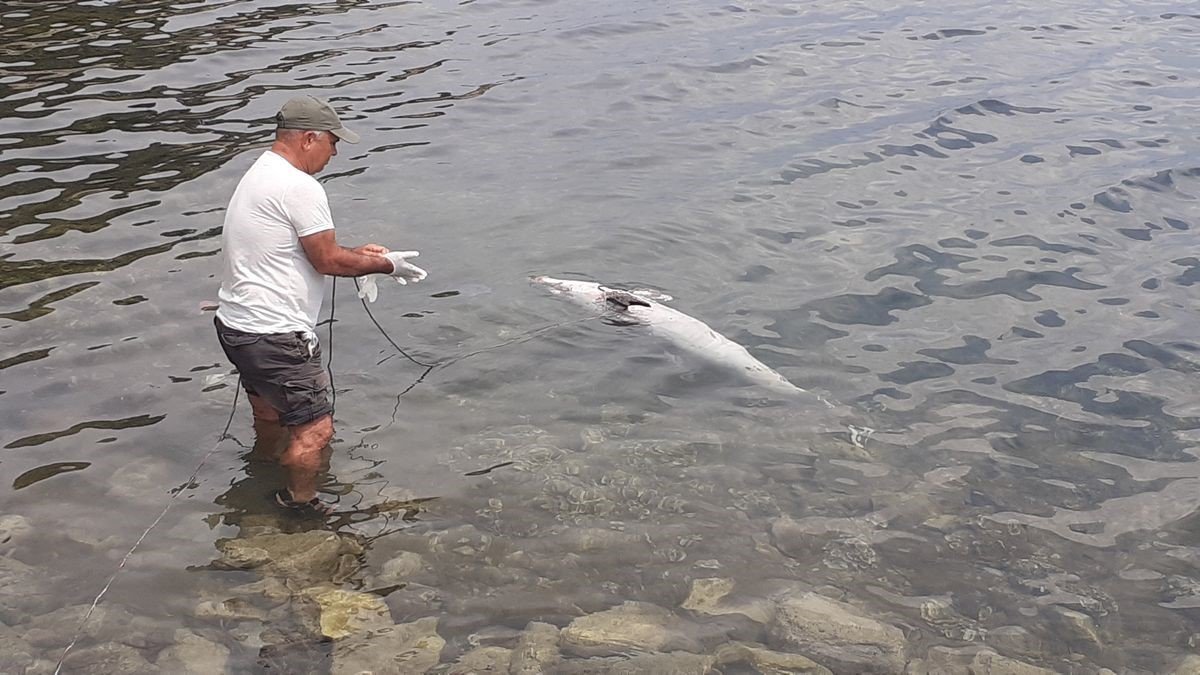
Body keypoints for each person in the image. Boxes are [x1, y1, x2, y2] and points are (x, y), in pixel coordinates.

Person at [213, 94, 427, 515]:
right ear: (309, 138)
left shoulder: (261, 171)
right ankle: (300, 506)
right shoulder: (299, 186)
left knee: (271, 414)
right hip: (276, 335)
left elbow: (305, 248)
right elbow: (326, 259)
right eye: (333, 142)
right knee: (315, 430)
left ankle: (264, 469)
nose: (335, 152)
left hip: (237, 327)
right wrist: (386, 265)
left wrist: (361, 258)